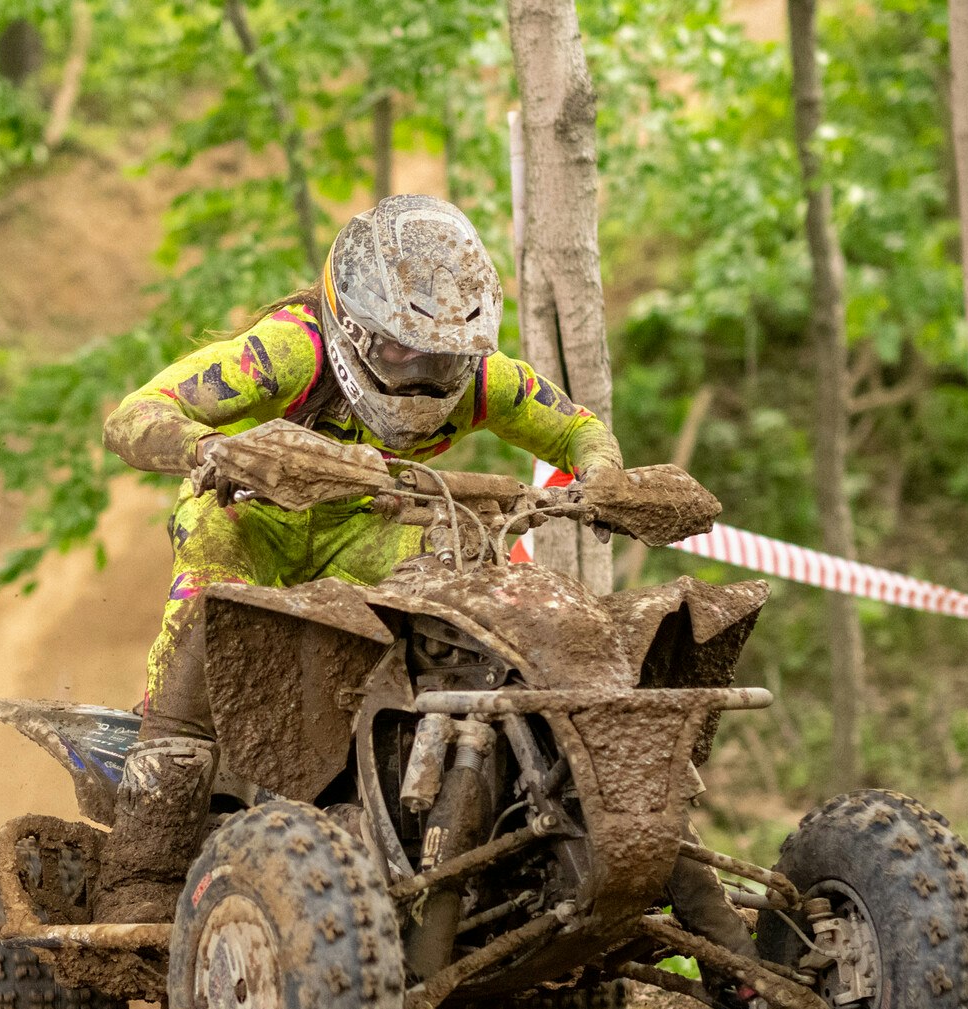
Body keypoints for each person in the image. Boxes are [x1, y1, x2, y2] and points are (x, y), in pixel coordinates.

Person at [91, 193, 623, 923]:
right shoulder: (289, 351)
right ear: (350, 326)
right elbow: (134, 415)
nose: (418, 374)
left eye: (440, 358)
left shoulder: (484, 380)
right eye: (399, 349)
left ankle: (446, 792)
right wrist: (211, 448)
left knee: (461, 575)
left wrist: (601, 480)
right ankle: (145, 857)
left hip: (374, 524)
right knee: (210, 599)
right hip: (253, 512)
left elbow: (578, 430)